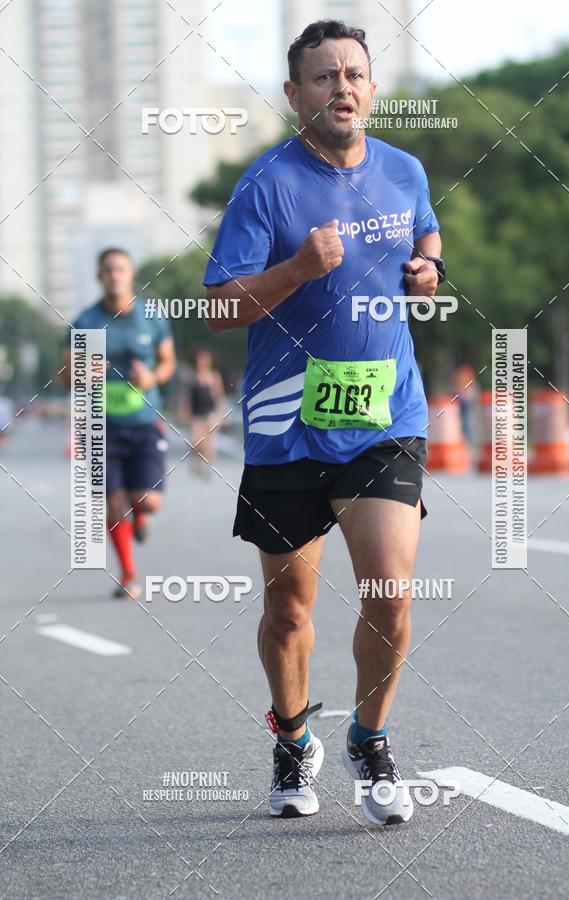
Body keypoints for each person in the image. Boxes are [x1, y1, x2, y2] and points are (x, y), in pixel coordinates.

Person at [203, 19, 444, 824]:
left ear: (371, 88)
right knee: (289, 611)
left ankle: (370, 740)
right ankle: (293, 737)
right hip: (285, 426)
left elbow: (424, 229)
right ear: (294, 93)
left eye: (353, 74)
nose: (341, 87)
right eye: (323, 77)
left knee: (391, 593)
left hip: (385, 416)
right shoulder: (264, 186)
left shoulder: (404, 169)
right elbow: (216, 308)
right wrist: (300, 268)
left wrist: (429, 267)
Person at [62, 248, 176, 598]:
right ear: (99, 276)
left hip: (144, 422)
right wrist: (81, 371)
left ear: (131, 274)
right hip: (100, 425)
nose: (114, 275)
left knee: (147, 501)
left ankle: (141, 517)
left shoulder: (152, 317)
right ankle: (128, 573)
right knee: (113, 502)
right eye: (108, 270)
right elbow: (64, 374)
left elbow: (168, 362)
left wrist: (153, 378)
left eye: (121, 269)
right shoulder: (85, 321)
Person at [185, 347, 225, 476]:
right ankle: (196, 462)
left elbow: (219, 395)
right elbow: (186, 396)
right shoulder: (192, 376)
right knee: (197, 442)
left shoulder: (214, 376)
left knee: (210, 441)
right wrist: (184, 410)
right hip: (196, 413)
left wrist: (222, 413)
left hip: (210, 412)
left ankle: (207, 466)